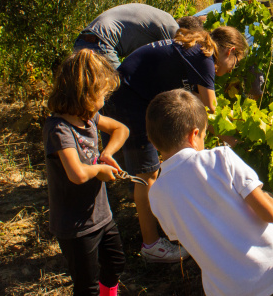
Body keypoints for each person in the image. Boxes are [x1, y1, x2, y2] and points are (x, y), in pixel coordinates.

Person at [102, 26, 248, 263]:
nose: (233, 68)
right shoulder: (205, 58)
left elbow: (195, 109)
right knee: (147, 175)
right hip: (130, 101)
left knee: (148, 169)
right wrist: (228, 136)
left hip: (128, 94)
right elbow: (209, 109)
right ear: (231, 51)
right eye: (236, 62)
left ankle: (150, 216)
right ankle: (151, 245)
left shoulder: (198, 49)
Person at [146, 89, 273, 296]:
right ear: (194, 135)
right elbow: (269, 214)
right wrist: (271, 199)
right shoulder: (221, 158)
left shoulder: (156, 194)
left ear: (152, 140)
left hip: (227, 290)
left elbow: (180, 236)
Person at [44, 49, 129, 296]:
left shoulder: (90, 118)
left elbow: (121, 130)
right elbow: (78, 174)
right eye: (102, 94)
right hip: (75, 224)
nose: (105, 99)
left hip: (101, 216)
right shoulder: (58, 128)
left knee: (115, 263)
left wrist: (107, 154)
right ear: (86, 94)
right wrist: (100, 169)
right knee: (86, 285)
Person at [74, 3, 180, 69]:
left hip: (84, 39)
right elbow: (170, 63)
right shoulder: (172, 28)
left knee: (86, 92)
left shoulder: (161, 21)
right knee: (120, 89)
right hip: (102, 42)